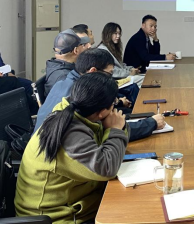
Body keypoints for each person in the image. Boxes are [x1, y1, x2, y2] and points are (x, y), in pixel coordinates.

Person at [15, 73, 129, 223]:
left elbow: (105, 143)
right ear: (101, 112)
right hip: (55, 217)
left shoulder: (72, 111)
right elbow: (107, 168)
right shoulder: (69, 133)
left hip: (74, 202)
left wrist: (116, 127)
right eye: (113, 103)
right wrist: (115, 130)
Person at [34, 49, 164, 141]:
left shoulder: (64, 82)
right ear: (93, 71)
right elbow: (106, 129)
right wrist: (151, 124)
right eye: (109, 74)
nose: (110, 78)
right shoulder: (83, 93)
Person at [44, 29, 86, 96]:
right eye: (82, 45)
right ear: (76, 50)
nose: (86, 47)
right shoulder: (65, 78)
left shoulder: (56, 67)